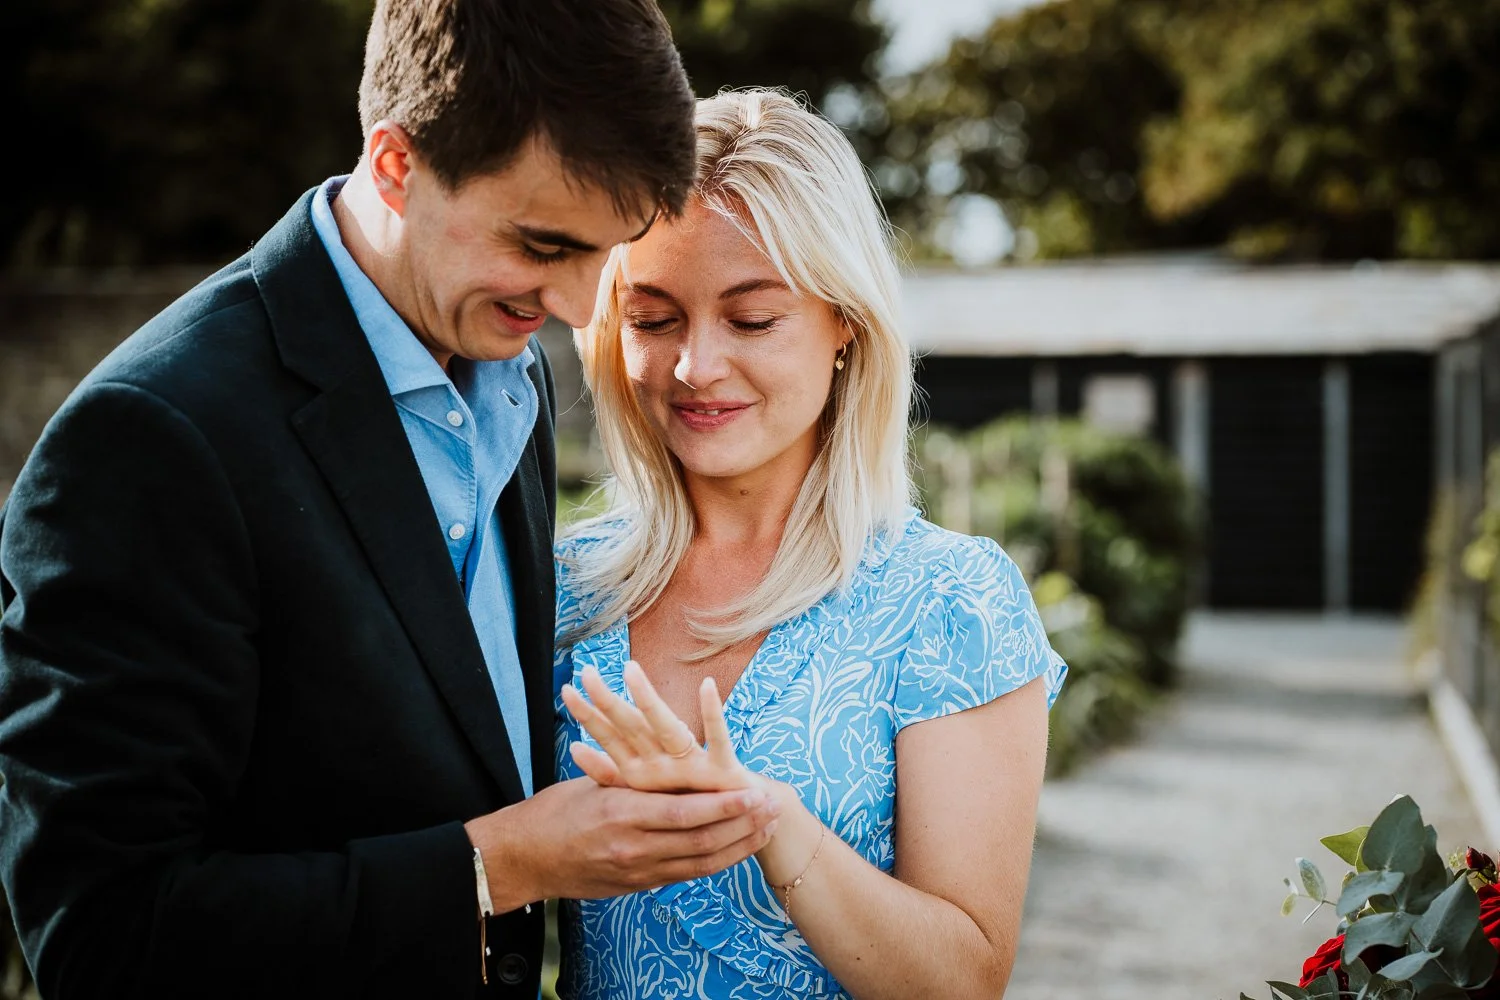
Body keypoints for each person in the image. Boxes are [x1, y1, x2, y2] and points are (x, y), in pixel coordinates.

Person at [0, 4, 782, 998]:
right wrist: (501, 863)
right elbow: (103, 938)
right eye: (545, 246)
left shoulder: (513, 373)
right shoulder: (152, 437)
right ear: (396, 163)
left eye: (608, 250)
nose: (580, 307)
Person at [552, 88, 1069, 1000]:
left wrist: (763, 819)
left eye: (752, 319)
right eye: (653, 317)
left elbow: (963, 981)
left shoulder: (950, 601)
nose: (695, 366)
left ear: (846, 328)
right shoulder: (564, 584)